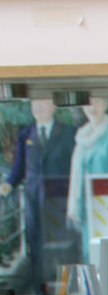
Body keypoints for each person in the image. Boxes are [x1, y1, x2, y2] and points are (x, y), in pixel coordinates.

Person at [1, 98, 78, 285]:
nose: (38, 106)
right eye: (35, 102)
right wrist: (7, 185)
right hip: (34, 198)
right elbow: (19, 167)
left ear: (53, 106)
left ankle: (66, 288)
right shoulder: (25, 133)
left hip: (61, 199)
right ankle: (38, 289)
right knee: (35, 243)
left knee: (62, 244)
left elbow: (75, 167)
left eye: (43, 102)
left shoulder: (69, 133)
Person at [66, 96, 108, 251]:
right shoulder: (82, 137)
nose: (91, 107)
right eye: (87, 103)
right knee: (90, 259)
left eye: (96, 102)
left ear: (106, 103)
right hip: (87, 215)